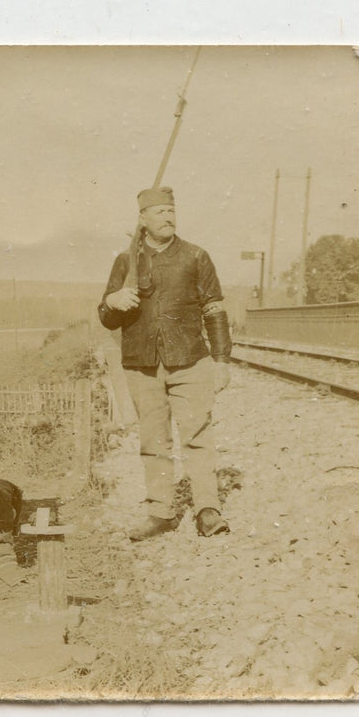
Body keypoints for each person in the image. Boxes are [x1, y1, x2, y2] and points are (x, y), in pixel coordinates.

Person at [98, 186, 233, 541]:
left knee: (197, 436)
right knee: (153, 442)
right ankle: (161, 512)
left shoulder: (195, 257)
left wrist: (221, 360)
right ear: (142, 219)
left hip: (190, 361)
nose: (168, 217)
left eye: (171, 211)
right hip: (142, 365)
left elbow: (214, 309)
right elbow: (106, 318)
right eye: (159, 212)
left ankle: (207, 510)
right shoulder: (126, 261)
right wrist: (113, 301)